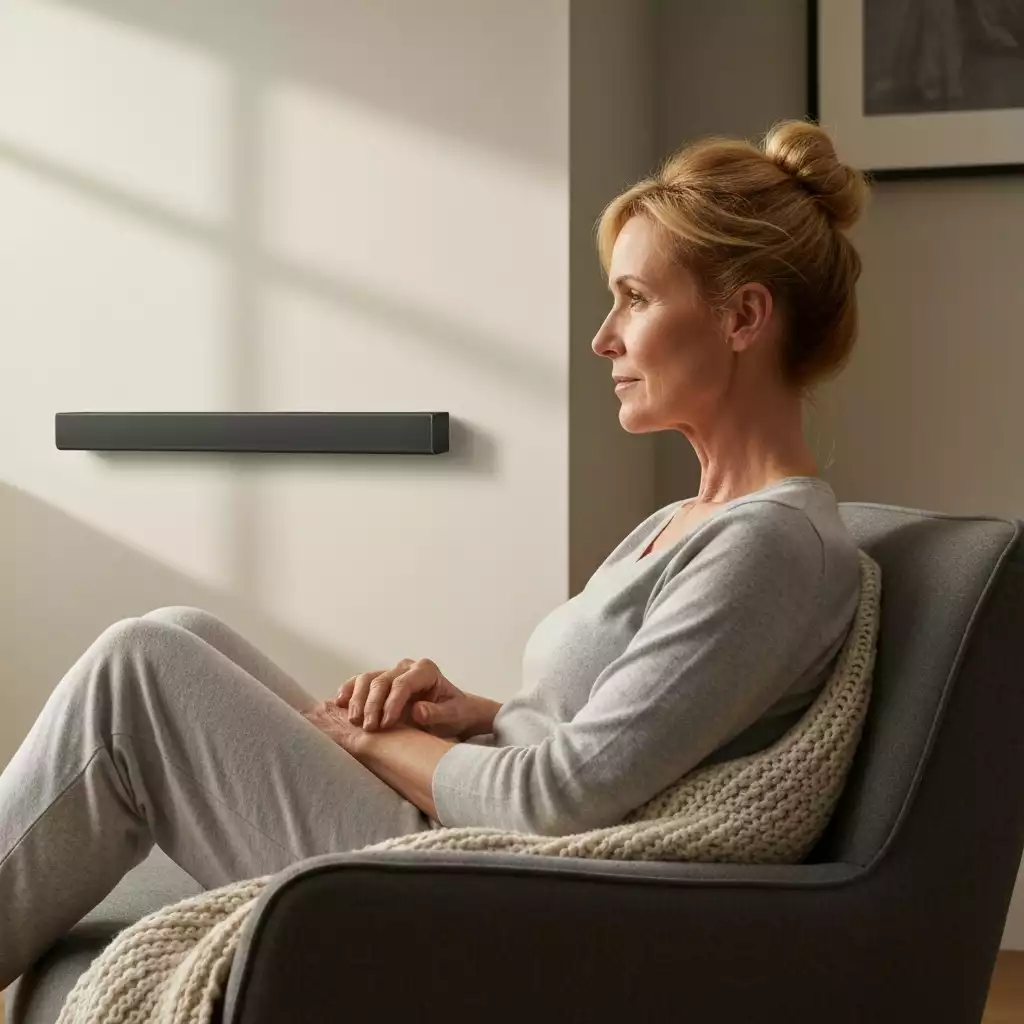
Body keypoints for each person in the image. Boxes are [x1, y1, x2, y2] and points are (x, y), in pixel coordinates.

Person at [0, 119, 868, 990]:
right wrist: (469, 715)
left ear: (745, 316)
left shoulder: (768, 546)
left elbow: (557, 801)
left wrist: (373, 743)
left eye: (635, 299)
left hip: (482, 887)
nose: (605, 336)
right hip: (465, 839)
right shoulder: (691, 519)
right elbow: (618, 740)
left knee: (138, 670)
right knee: (178, 630)